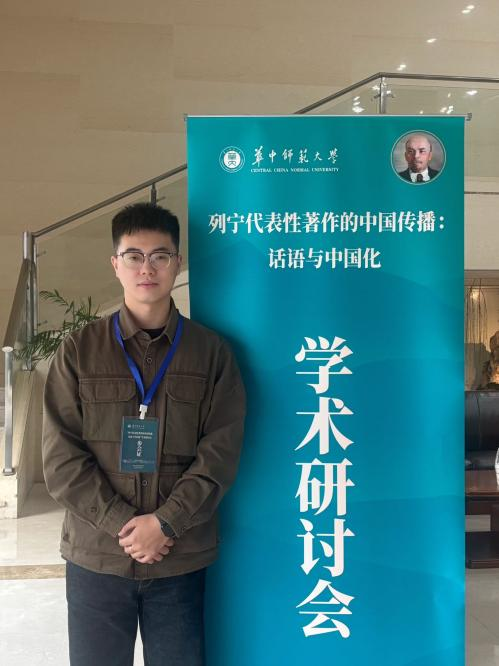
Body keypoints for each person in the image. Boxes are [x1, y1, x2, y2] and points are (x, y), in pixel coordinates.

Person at [42, 202, 246, 666]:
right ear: (115, 264)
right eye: (133, 256)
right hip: (97, 555)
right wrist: (125, 526)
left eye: (160, 256)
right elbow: (61, 459)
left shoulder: (211, 353)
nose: (147, 268)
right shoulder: (78, 351)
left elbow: (219, 455)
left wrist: (165, 524)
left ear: (177, 263)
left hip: (179, 557)